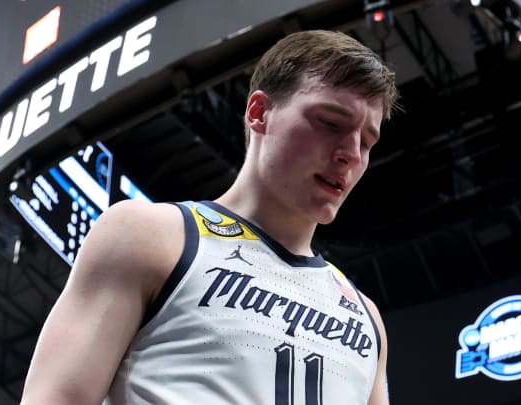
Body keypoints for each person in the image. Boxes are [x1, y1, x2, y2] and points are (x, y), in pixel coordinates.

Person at [20, 29, 399, 405]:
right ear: (259, 113)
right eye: (330, 123)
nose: (350, 153)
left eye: (366, 141)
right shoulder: (151, 235)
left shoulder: (366, 318)